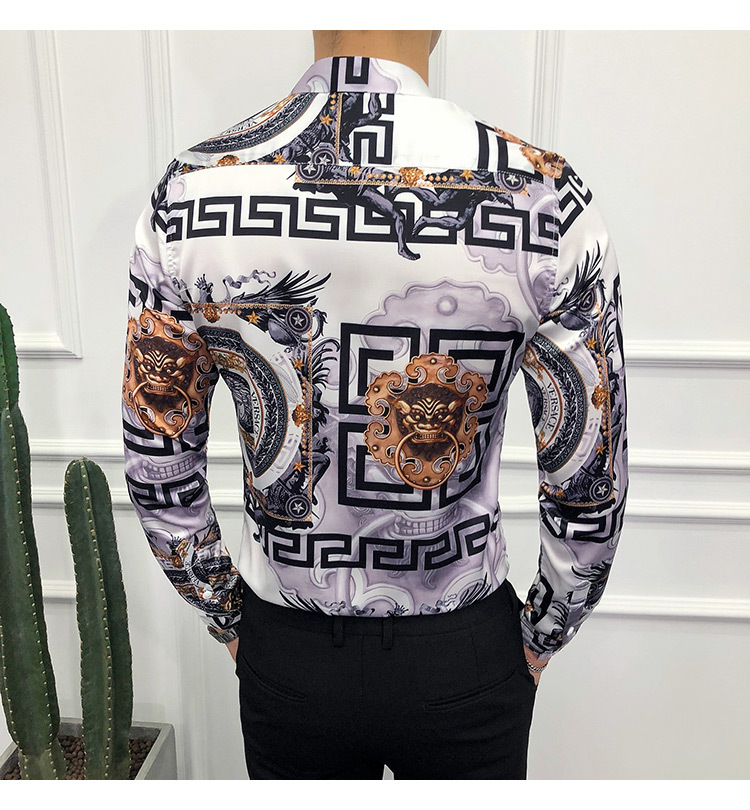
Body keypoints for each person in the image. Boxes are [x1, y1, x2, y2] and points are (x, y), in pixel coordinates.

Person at [121, 29, 628, 779]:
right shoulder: (543, 196)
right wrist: (547, 629)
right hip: (464, 653)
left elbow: (156, 457)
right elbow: (590, 474)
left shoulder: (191, 195)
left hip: (286, 650)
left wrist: (226, 613)